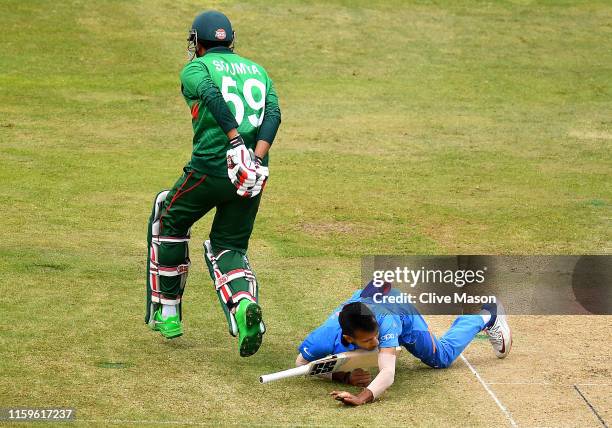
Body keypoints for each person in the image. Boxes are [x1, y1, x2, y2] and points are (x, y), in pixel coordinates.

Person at [145, 10, 281, 358]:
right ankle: (243, 304)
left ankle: (170, 312)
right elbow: (273, 114)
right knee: (228, 245)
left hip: (210, 167)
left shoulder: (196, 68)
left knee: (169, 217)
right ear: (231, 39)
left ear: (196, 42)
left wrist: (234, 141)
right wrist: (255, 157)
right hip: (250, 173)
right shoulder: (258, 70)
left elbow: (210, 94)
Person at [296, 284, 512, 405]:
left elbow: (388, 373)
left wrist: (362, 397)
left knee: (442, 357)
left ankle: (487, 316)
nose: (375, 342)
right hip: (371, 298)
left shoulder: (387, 323)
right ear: (348, 337)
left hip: (398, 308)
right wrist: (342, 377)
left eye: (376, 336)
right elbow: (301, 363)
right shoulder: (324, 336)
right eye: (367, 340)